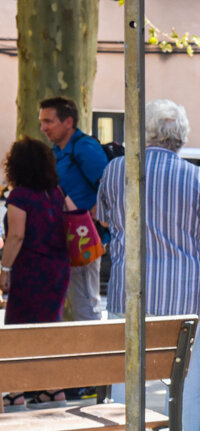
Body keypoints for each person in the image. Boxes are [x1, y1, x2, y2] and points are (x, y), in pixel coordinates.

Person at [96, 99, 200, 431]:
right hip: (186, 298)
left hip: (130, 295)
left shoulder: (115, 171)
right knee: (188, 387)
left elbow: (106, 220)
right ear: (181, 136)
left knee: (124, 384)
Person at [1, 137, 72, 410]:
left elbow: (16, 236)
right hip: (58, 271)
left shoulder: (19, 196)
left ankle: (15, 390)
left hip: (30, 271)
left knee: (19, 330)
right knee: (48, 328)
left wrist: (4, 269)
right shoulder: (56, 192)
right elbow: (74, 214)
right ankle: (53, 390)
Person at [38, 96, 106, 323]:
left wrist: (99, 213)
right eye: (42, 122)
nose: (43, 127)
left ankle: (94, 355)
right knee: (78, 305)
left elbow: (108, 187)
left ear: (68, 122)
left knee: (86, 305)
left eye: (49, 121)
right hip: (67, 240)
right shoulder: (57, 150)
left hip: (85, 239)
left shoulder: (84, 147)